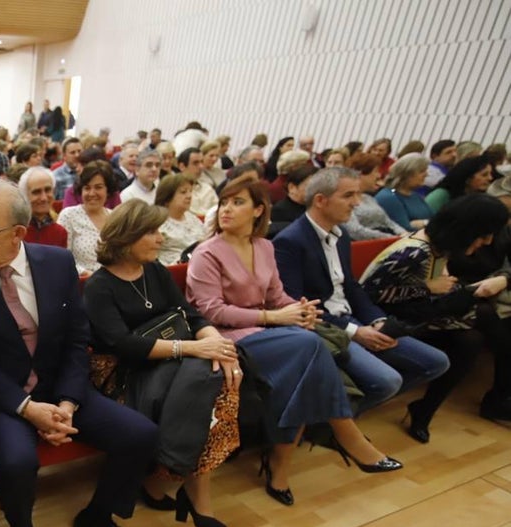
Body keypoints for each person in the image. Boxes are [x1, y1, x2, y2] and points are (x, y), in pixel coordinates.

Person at [0, 180, 160, 527]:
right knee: (19, 461)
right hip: (1, 399)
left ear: (18, 234)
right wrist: (27, 408)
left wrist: (66, 402)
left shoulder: (57, 264)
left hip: (59, 388)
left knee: (140, 434)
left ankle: (97, 517)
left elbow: (78, 340)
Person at [185, 177, 402, 507]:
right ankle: (344, 437)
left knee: (305, 360)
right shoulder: (207, 252)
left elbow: (276, 296)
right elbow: (210, 311)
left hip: (272, 335)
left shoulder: (264, 247)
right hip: (226, 337)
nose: (226, 209)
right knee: (308, 348)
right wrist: (275, 318)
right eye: (225, 202)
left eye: (237, 202)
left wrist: (298, 309)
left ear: (258, 210)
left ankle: (281, 463)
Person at [85, 200, 239, 527]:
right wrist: (198, 348)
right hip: (123, 373)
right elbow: (124, 346)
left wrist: (220, 346)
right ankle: (174, 479)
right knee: (209, 374)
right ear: (127, 237)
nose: (161, 238)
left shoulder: (154, 270)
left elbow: (191, 314)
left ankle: (169, 473)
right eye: (152, 232)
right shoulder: (100, 285)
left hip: (169, 361)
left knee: (213, 368)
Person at [273, 168, 450, 428]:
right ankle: (329, 426)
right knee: (388, 381)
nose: (357, 202)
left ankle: (339, 419)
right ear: (321, 200)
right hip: (324, 327)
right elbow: (296, 305)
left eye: (357, 194)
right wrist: (356, 332)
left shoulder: (341, 235)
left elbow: (352, 288)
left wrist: (377, 320)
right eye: (348, 195)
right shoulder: (290, 241)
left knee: (436, 362)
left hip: (352, 319)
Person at [361, 196, 511, 427]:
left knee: (473, 335)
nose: (489, 241)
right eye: (484, 234)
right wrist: (426, 287)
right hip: (385, 319)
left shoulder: (439, 246)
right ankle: (429, 409)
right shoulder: (415, 252)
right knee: (476, 330)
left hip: (415, 310)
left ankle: (426, 410)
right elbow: (369, 295)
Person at [57, 162, 115, 275]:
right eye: (87, 188)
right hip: (82, 283)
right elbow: (62, 259)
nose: (92, 193)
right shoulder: (69, 215)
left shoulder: (115, 218)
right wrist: (85, 273)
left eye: (98, 187)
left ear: (108, 191)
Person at [343, 153, 408, 239]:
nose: (379, 175)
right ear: (361, 174)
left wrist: (404, 233)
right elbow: (356, 231)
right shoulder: (346, 201)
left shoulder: (369, 198)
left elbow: (389, 222)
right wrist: (392, 238)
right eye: (376, 171)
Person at [154, 173, 207, 265]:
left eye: (190, 191)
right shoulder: (157, 223)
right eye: (183, 192)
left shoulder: (193, 218)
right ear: (167, 198)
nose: (189, 195)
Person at [376, 154, 434, 230]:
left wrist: (423, 223)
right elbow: (405, 229)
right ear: (407, 174)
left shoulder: (414, 195)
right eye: (422, 171)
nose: (426, 174)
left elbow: (436, 221)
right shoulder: (389, 197)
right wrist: (426, 223)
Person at [423, 156, 496, 214]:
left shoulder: (483, 198)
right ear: (468, 177)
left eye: (490, 174)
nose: (490, 178)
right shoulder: (441, 195)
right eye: (484, 175)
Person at [18, 166, 68, 248]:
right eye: (36, 192)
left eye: (48, 190)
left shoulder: (60, 232)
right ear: (25, 196)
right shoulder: (16, 231)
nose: (44, 198)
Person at [268, 163, 316, 238]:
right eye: (311, 186)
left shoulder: (313, 207)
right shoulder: (280, 210)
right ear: (292, 187)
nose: (316, 191)